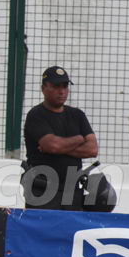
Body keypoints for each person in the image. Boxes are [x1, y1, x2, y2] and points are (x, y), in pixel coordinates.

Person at [22, 66, 98, 210]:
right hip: (42, 189)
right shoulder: (36, 115)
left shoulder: (77, 115)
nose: (62, 91)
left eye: (65, 86)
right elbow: (53, 145)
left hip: (72, 189)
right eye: (56, 86)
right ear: (43, 88)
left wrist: (58, 147)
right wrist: (79, 139)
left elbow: (92, 149)